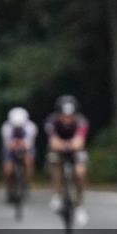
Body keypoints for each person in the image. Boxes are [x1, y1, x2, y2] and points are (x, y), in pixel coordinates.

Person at [45, 95, 90, 226]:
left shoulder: (82, 121)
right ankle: (57, 194)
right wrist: (66, 145)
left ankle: (79, 206)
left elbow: (79, 142)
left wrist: (67, 145)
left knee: (80, 173)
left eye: (70, 116)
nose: (67, 119)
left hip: (76, 150)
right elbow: (53, 142)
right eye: (64, 116)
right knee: (54, 160)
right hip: (59, 149)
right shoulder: (51, 121)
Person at [1, 107, 37, 201]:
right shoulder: (6, 127)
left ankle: (26, 183)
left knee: (29, 162)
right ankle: (9, 189)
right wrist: (16, 145)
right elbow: (8, 144)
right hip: (10, 149)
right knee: (8, 170)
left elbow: (29, 143)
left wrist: (21, 146)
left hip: (26, 148)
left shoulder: (31, 127)